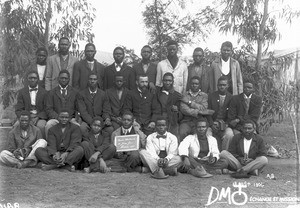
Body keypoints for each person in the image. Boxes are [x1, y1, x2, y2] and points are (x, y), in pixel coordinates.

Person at [45, 70, 80, 137]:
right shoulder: (51, 93)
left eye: (66, 78)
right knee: (49, 125)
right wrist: (59, 117)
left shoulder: (75, 92)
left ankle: (75, 145)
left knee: (78, 126)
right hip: (56, 119)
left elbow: (77, 108)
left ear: (69, 79)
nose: (63, 80)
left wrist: (74, 118)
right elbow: (49, 109)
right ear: (58, 79)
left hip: (70, 119)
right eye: (62, 78)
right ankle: (50, 145)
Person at [15, 71, 48, 138]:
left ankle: (41, 145)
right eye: (30, 78)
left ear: (38, 79)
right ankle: (20, 146)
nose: (32, 80)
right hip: (26, 116)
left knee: (41, 126)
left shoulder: (44, 92)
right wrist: (26, 117)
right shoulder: (22, 92)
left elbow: (47, 108)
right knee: (17, 125)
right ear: (27, 79)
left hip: (39, 117)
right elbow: (18, 109)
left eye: (34, 78)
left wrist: (38, 117)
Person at [179, 76, 212, 142]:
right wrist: (198, 111)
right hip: (186, 121)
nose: (194, 85)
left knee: (201, 136)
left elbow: (204, 108)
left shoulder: (204, 95)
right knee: (182, 133)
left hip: (200, 121)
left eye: (196, 84)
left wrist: (189, 102)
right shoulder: (184, 94)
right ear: (190, 84)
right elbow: (184, 109)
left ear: (199, 85)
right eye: (192, 83)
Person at [207, 76, 233, 151]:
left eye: (224, 85)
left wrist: (226, 124)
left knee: (229, 134)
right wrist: (211, 124)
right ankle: (211, 155)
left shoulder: (231, 97)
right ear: (217, 85)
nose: (222, 87)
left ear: (227, 86)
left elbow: (231, 114)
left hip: (225, 124)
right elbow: (208, 112)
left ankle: (224, 154)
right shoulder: (211, 96)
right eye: (220, 85)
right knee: (207, 134)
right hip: (212, 123)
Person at [153, 72, 182, 137]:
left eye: (169, 81)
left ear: (173, 81)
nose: (167, 83)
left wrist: (177, 110)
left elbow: (181, 114)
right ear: (162, 81)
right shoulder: (156, 93)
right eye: (165, 80)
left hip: (171, 121)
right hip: (157, 119)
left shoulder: (177, 96)